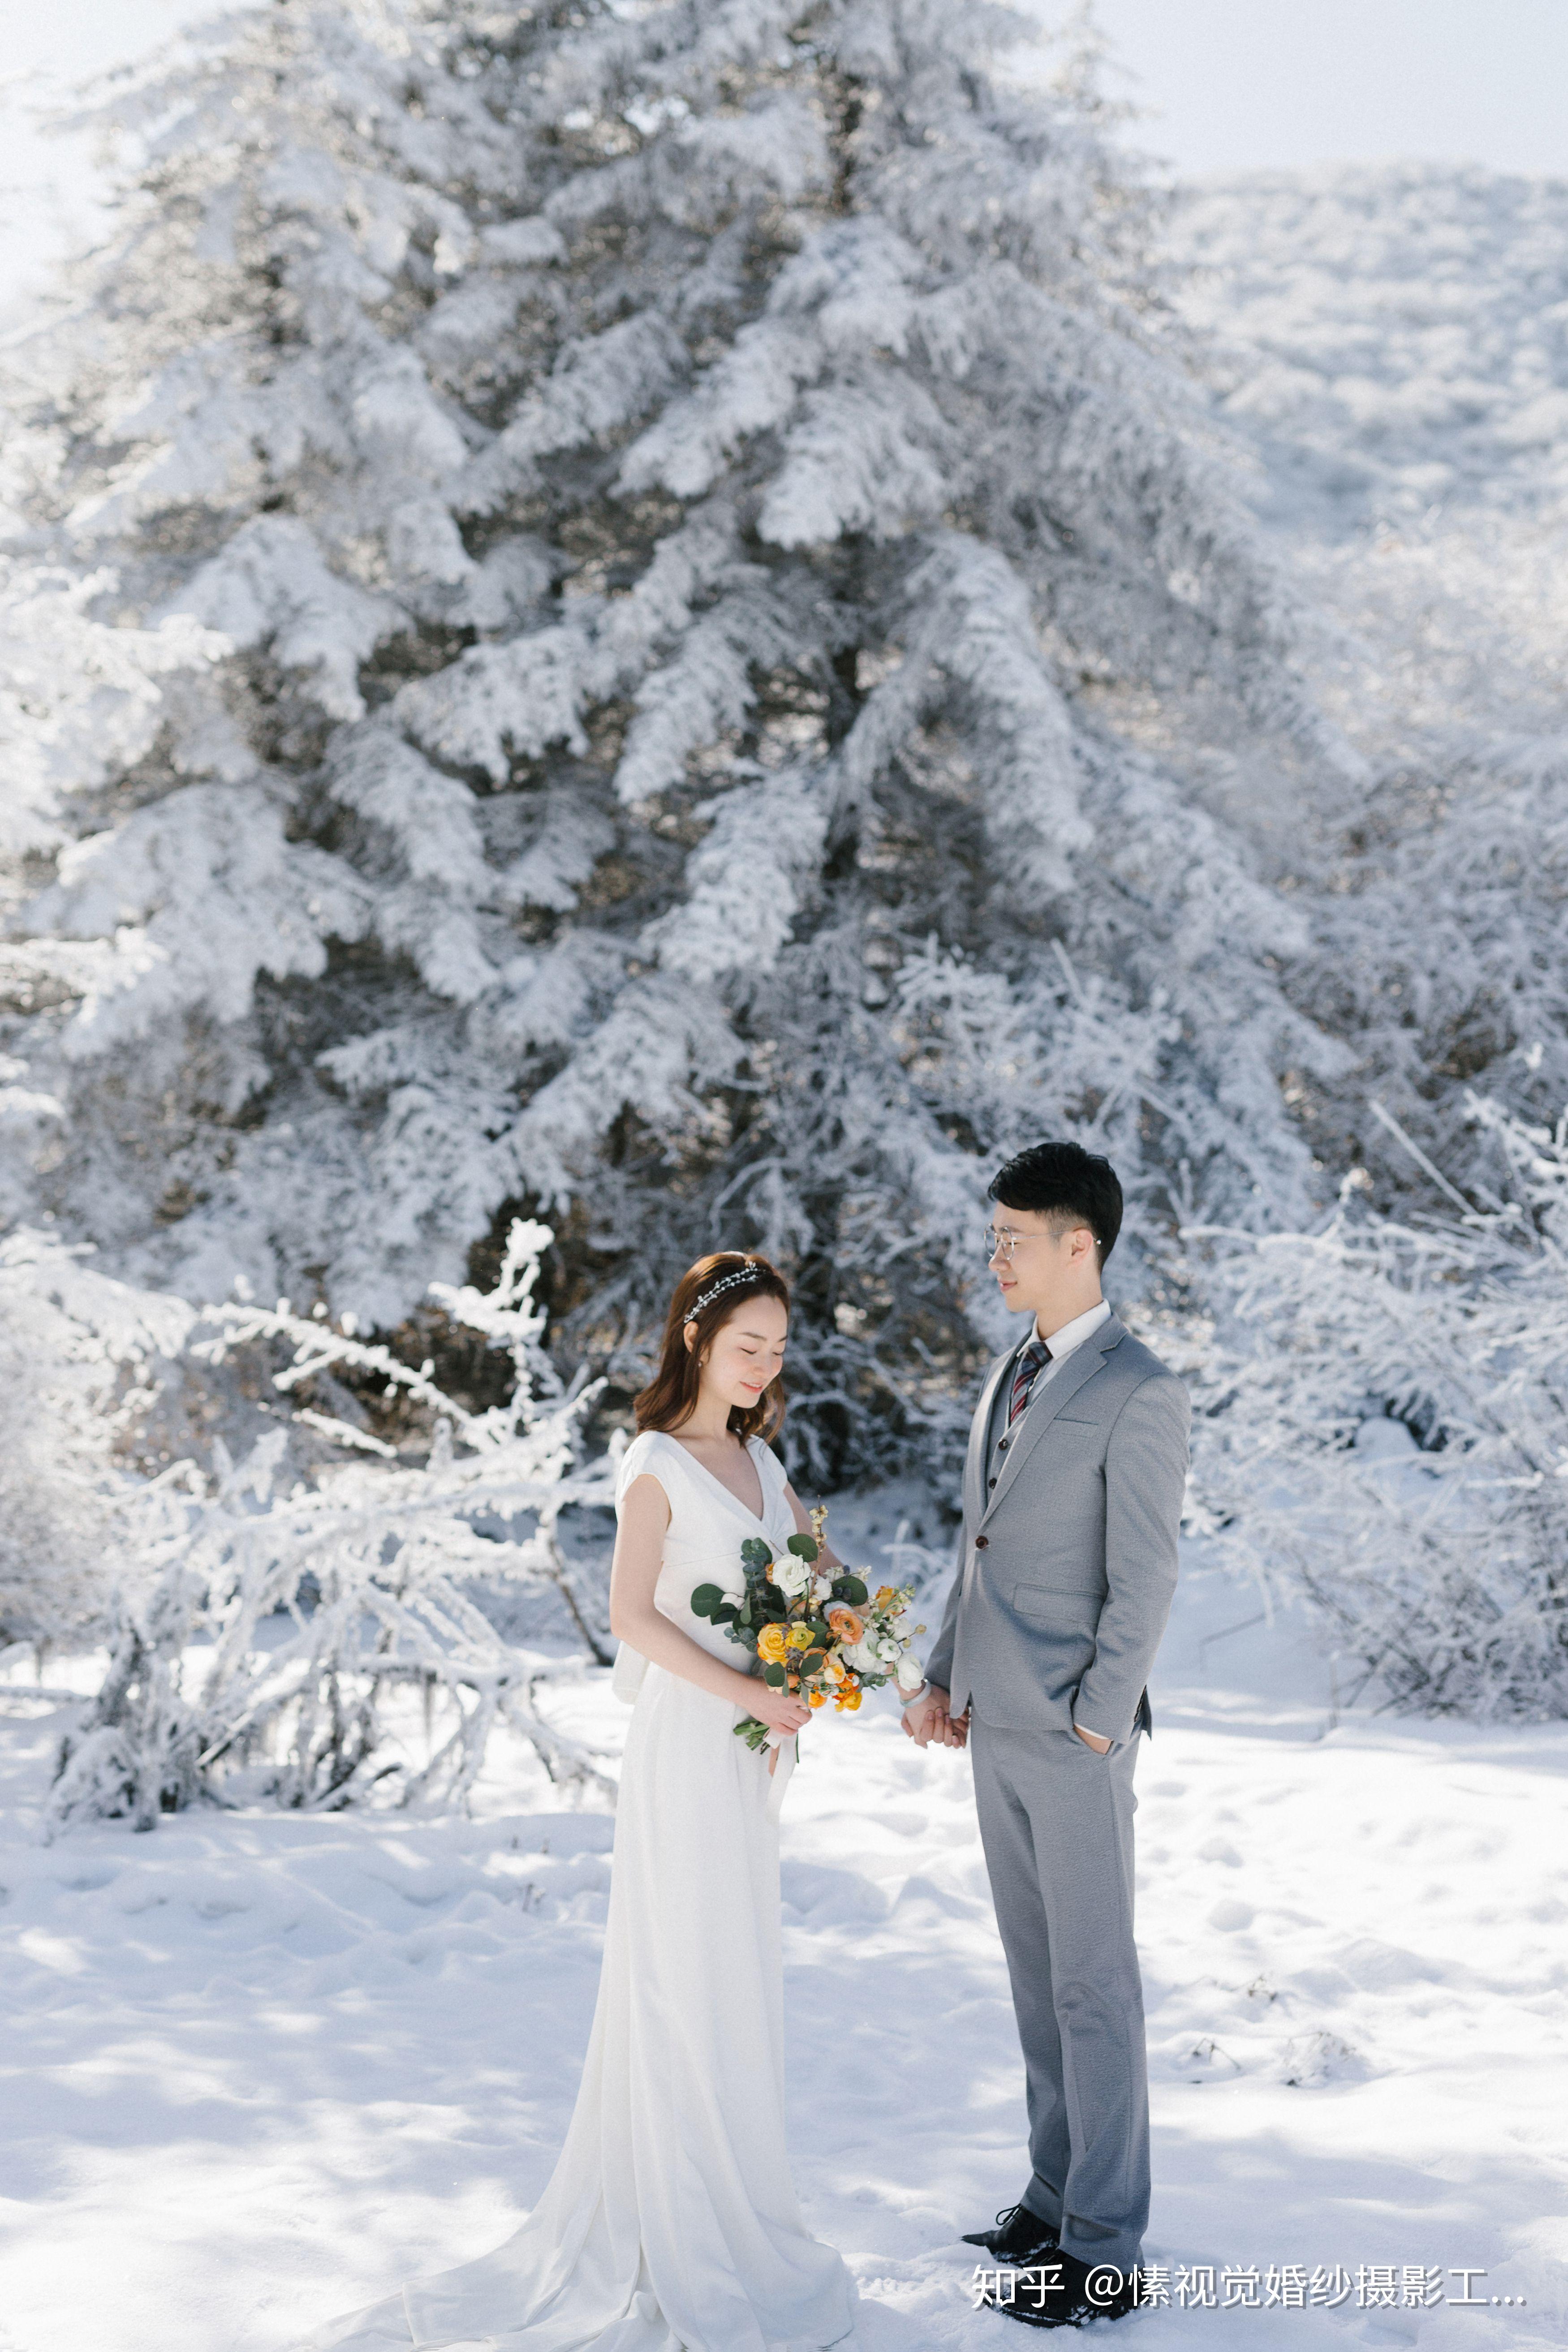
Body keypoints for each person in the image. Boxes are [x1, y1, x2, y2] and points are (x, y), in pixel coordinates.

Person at [299, 1251, 858, 2352]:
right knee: (680, 1968)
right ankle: (671, 2221)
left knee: (734, 1972)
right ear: (696, 1340)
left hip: (752, 1749)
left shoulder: (761, 1459)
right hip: (689, 1741)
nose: (764, 1368)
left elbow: (815, 1572)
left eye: (779, 1350)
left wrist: (831, 1636)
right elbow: (633, 1619)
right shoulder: (656, 1460)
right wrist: (751, 1684)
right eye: (748, 1346)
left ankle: (738, 2199)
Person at [904, 1142, 1189, 2332]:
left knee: (1092, 1989)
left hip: (1072, 1739)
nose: (994, 1254)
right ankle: (1052, 2190)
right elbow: (979, 1544)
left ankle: (1107, 2246)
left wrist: (1094, 1716)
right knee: (1036, 1984)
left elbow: (1148, 1575)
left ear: (1081, 1244)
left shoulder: (1138, 1388)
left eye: (1014, 1237)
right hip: (991, 1722)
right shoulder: (1009, 1371)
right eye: (995, 1234)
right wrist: (937, 1672)